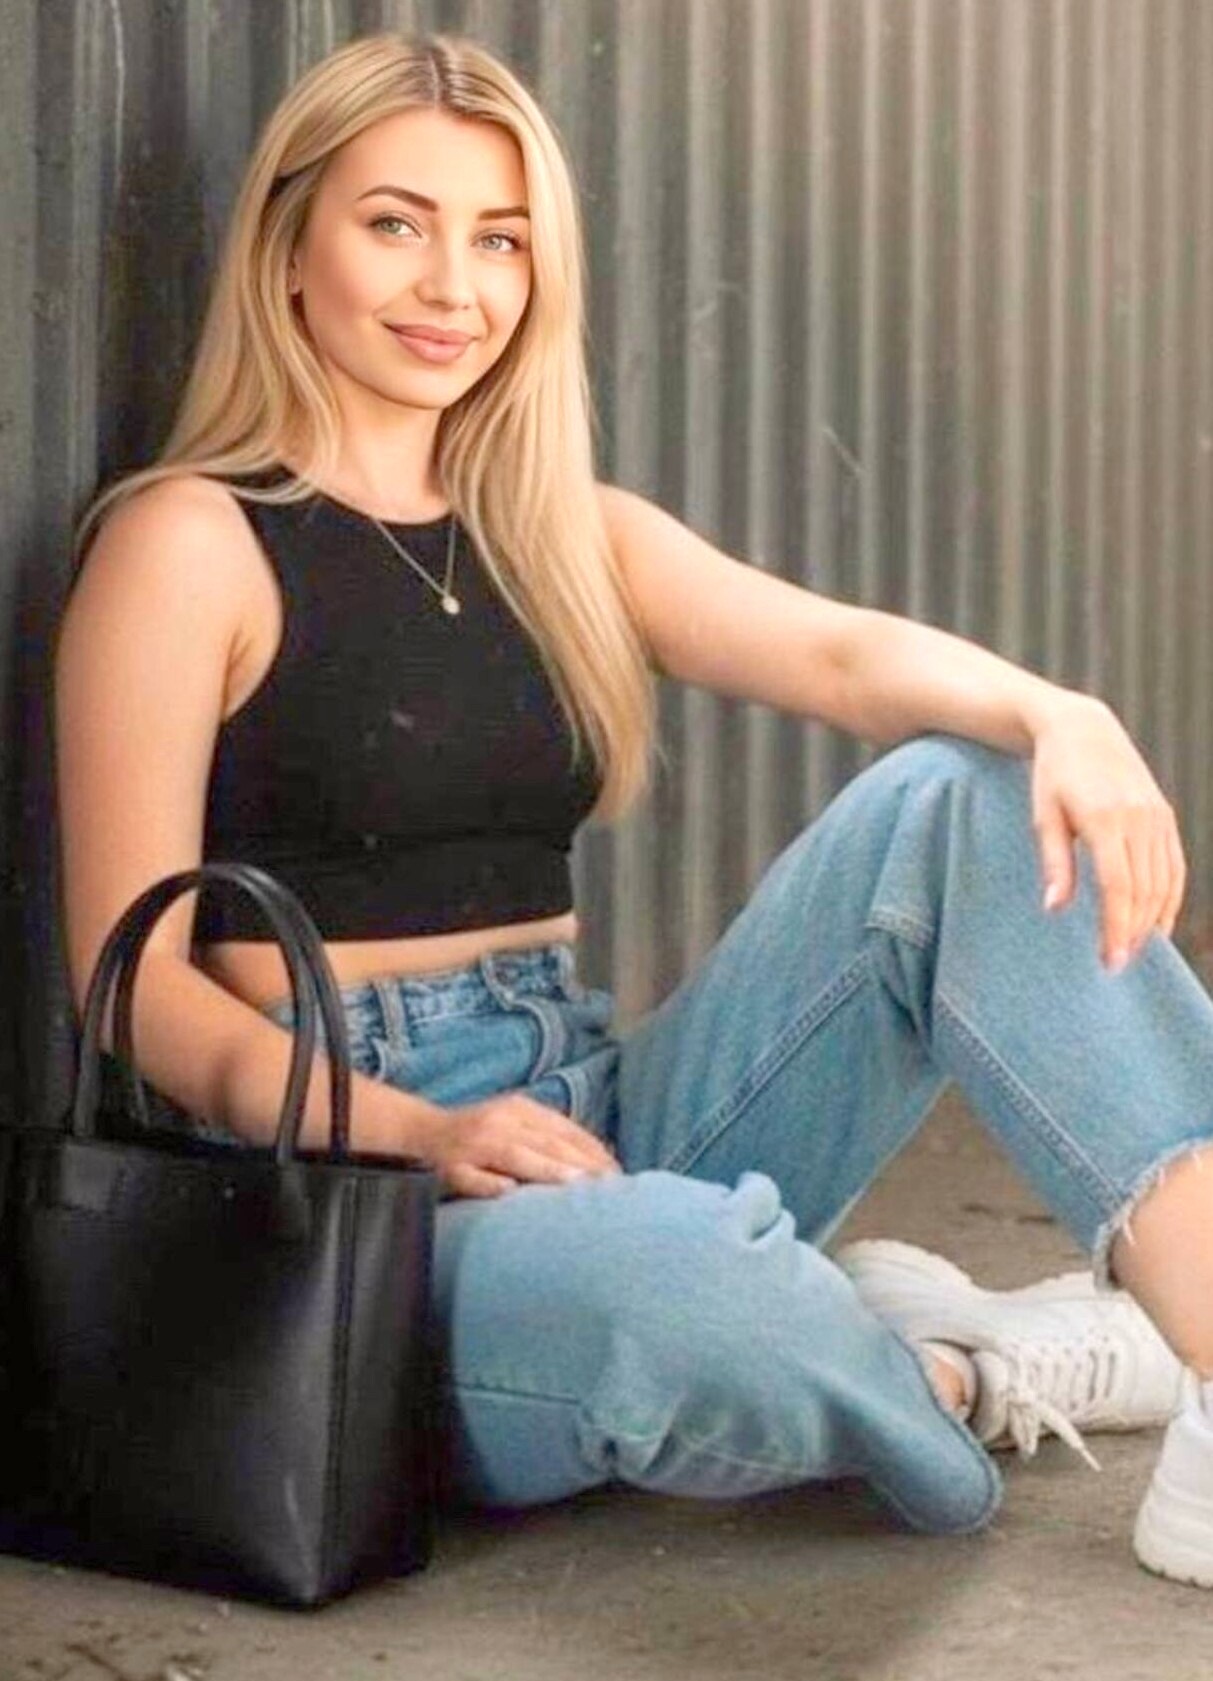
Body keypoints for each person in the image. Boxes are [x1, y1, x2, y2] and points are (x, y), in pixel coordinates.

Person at [54, 30, 1213, 1583]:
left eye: (499, 239)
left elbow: (841, 656)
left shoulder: (565, 536)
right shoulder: (189, 543)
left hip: (597, 1117)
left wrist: (1060, 714)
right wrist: (421, 1128)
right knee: (677, 1284)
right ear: (286, 248)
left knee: (963, 794)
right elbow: (132, 990)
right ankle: (949, 1364)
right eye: (395, 223)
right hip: (363, 1199)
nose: (451, 284)